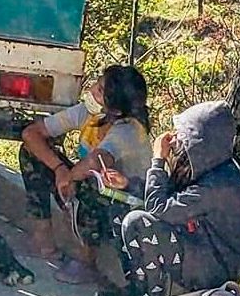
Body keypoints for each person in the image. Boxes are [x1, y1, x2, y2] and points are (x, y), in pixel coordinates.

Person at [95, 100, 240, 296]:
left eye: (183, 136)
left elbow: (158, 209)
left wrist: (158, 160)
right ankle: (136, 287)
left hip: (218, 266)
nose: (178, 140)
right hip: (202, 243)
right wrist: (127, 184)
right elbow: (169, 198)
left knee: (138, 222)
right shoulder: (208, 165)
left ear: (201, 142)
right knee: (120, 210)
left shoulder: (220, 184)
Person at [19, 65, 153, 284]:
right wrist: (59, 169)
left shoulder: (129, 130)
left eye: (100, 91)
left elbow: (96, 162)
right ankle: (43, 239)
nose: (91, 91)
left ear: (116, 109)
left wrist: (69, 177)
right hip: (88, 185)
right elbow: (32, 134)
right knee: (31, 152)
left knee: (92, 181)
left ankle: (86, 259)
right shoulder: (89, 113)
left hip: (122, 207)